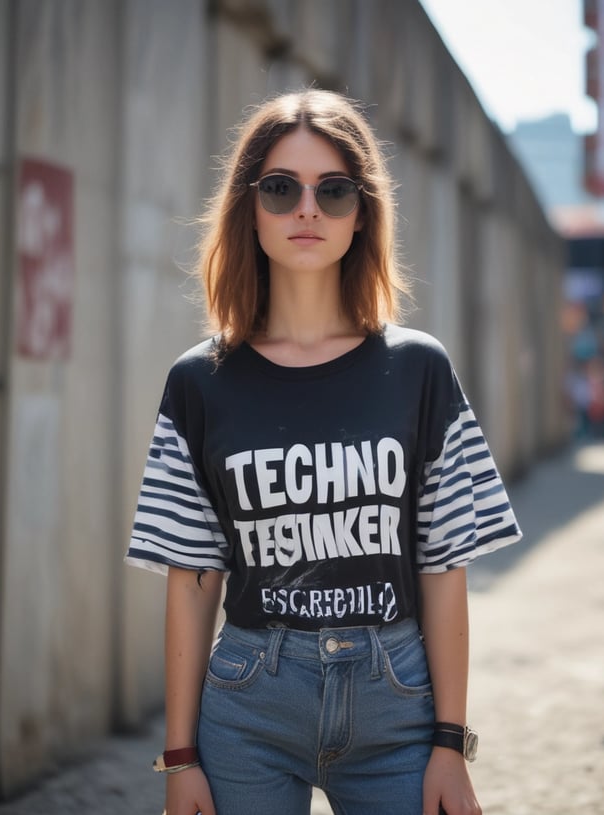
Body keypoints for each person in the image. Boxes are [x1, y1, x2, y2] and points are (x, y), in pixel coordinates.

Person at [126, 88, 522, 815]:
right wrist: (179, 758)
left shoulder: (419, 369)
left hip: (395, 702)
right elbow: (191, 582)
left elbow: (442, 569)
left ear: (362, 210)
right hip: (249, 701)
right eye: (281, 188)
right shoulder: (197, 383)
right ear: (250, 206)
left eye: (333, 190)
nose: (306, 209)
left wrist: (450, 742)